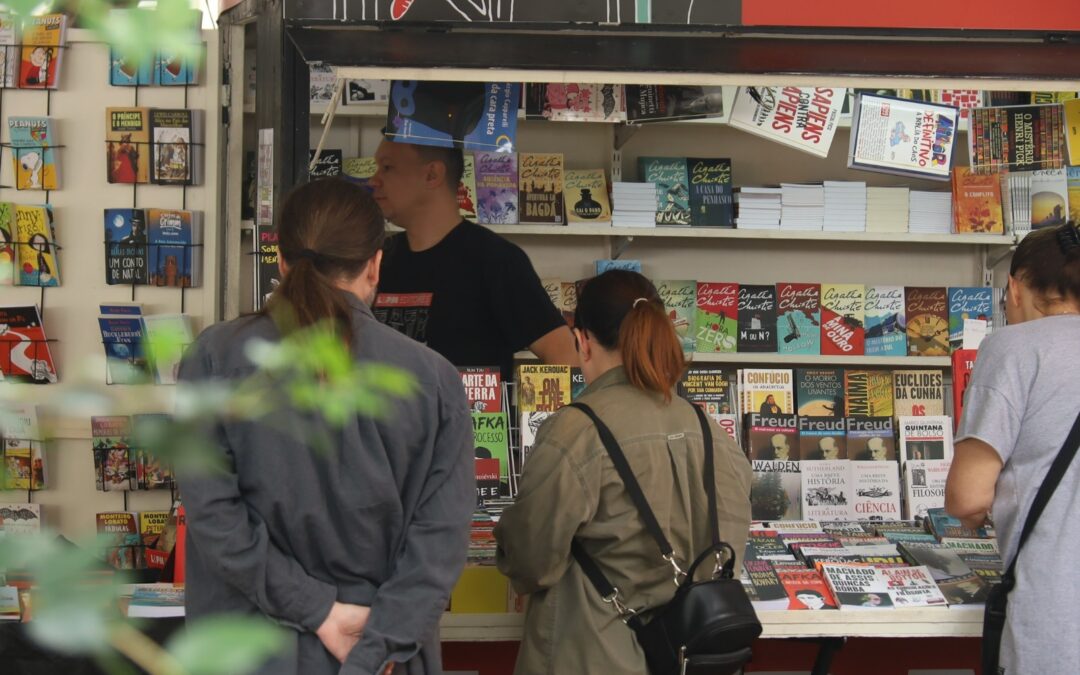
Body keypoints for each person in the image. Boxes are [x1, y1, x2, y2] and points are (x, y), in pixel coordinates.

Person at [177, 178, 474, 675]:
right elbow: (437, 548)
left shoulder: (213, 357)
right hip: (384, 655)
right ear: (375, 264)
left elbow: (215, 521)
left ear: (281, 259)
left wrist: (316, 609)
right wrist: (371, 648)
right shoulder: (433, 379)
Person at [493, 270, 752, 675]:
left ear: (582, 341)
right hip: (688, 654)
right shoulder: (710, 431)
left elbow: (531, 561)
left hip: (591, 655)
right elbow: (730, 543)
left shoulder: (575, 430)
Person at [945, 223, 1080, 675]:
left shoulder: (1013, 348)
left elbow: (968, 496)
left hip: (1058, 616)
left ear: (1014, 286)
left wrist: (975, 514)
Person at [371, 140, 578, 381]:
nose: (374, 180)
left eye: (387, 167)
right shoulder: (379, 260)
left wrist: (540, 417)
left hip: (474, 418)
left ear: (432, 174)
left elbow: (565, 355)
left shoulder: (496, 261)